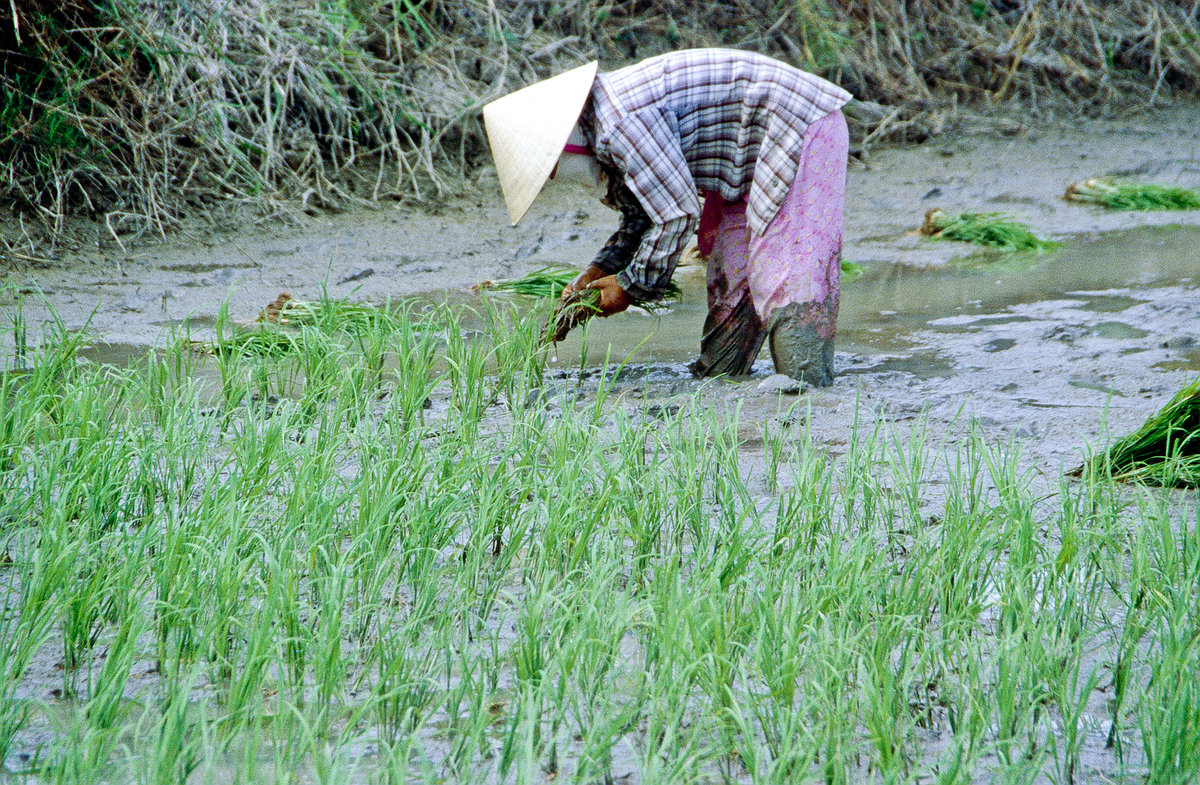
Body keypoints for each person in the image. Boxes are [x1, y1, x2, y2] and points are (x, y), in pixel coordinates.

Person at [482, 49, 851, 385]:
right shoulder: (602, 128)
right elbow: (643, 215)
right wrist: (597, 271)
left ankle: (808, 397)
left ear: (563, 147)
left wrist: (629, 285)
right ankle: (719, 382)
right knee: (731, 278)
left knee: (786, 276)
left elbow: (677, 213)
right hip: (748, 161)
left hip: (797, 126)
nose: (557, 179)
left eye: (550, 172)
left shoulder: (618, 122)